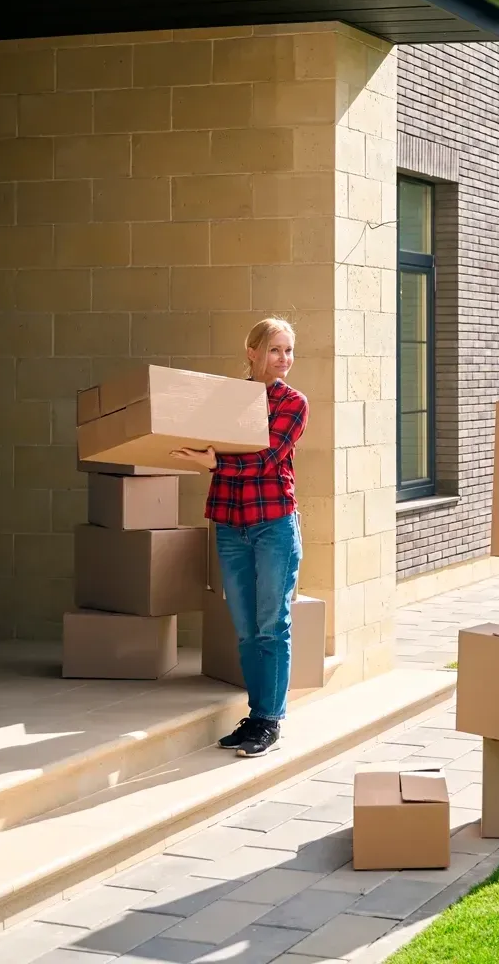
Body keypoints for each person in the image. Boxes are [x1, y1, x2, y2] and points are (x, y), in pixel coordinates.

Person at [173, 317, 308, 759]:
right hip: (230, 523)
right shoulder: (226, 401)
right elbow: (205, 443)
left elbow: (266, 458)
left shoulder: (293, 403)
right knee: (247, 630)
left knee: (273, 624)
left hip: (274, 523)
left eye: (288, 350)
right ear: (251, 351)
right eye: (274, 350)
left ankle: (270, 720)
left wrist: (214, 463)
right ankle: (257, 713)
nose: (284, 359)